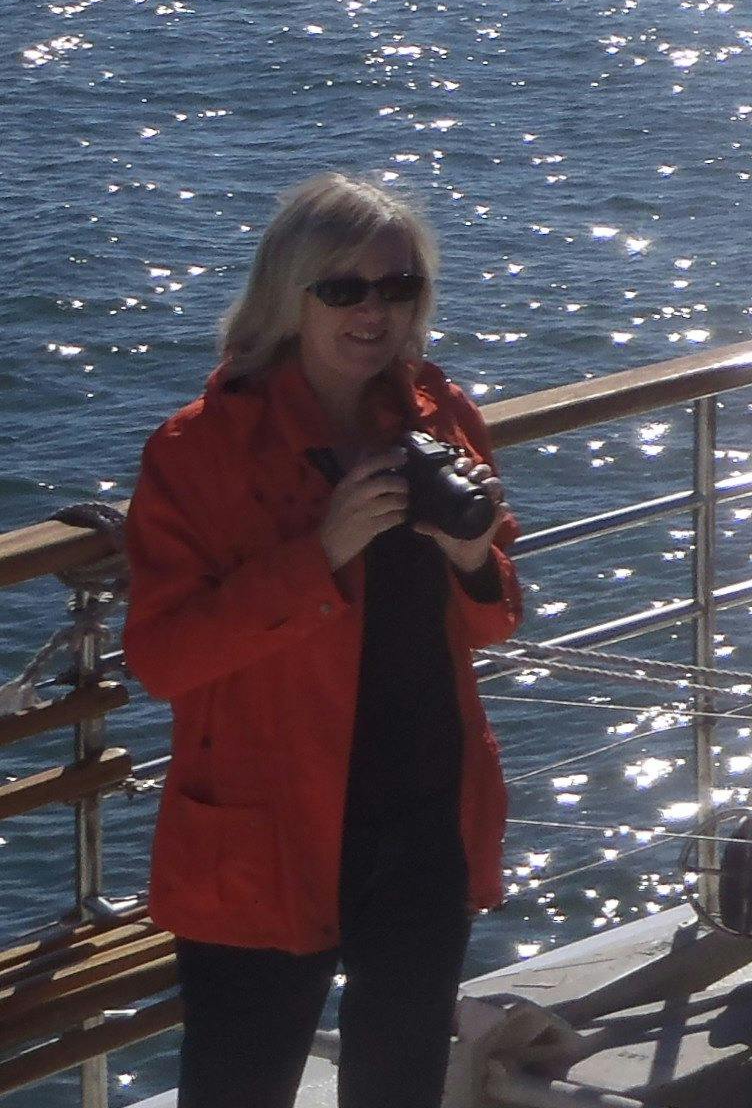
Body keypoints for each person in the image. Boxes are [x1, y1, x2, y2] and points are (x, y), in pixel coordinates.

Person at [123, 173, 519, 1108]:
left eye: (398, 286)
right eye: (343, 288)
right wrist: (321, 554)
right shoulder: (200, 449)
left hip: (424, 812)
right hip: (267, 831)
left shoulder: (440, 414)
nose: (373, 312)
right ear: (288, 295)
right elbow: (162, 659)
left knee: (401, 1082)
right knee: (239, 1086)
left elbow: (493, 620)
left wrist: (472, 559)